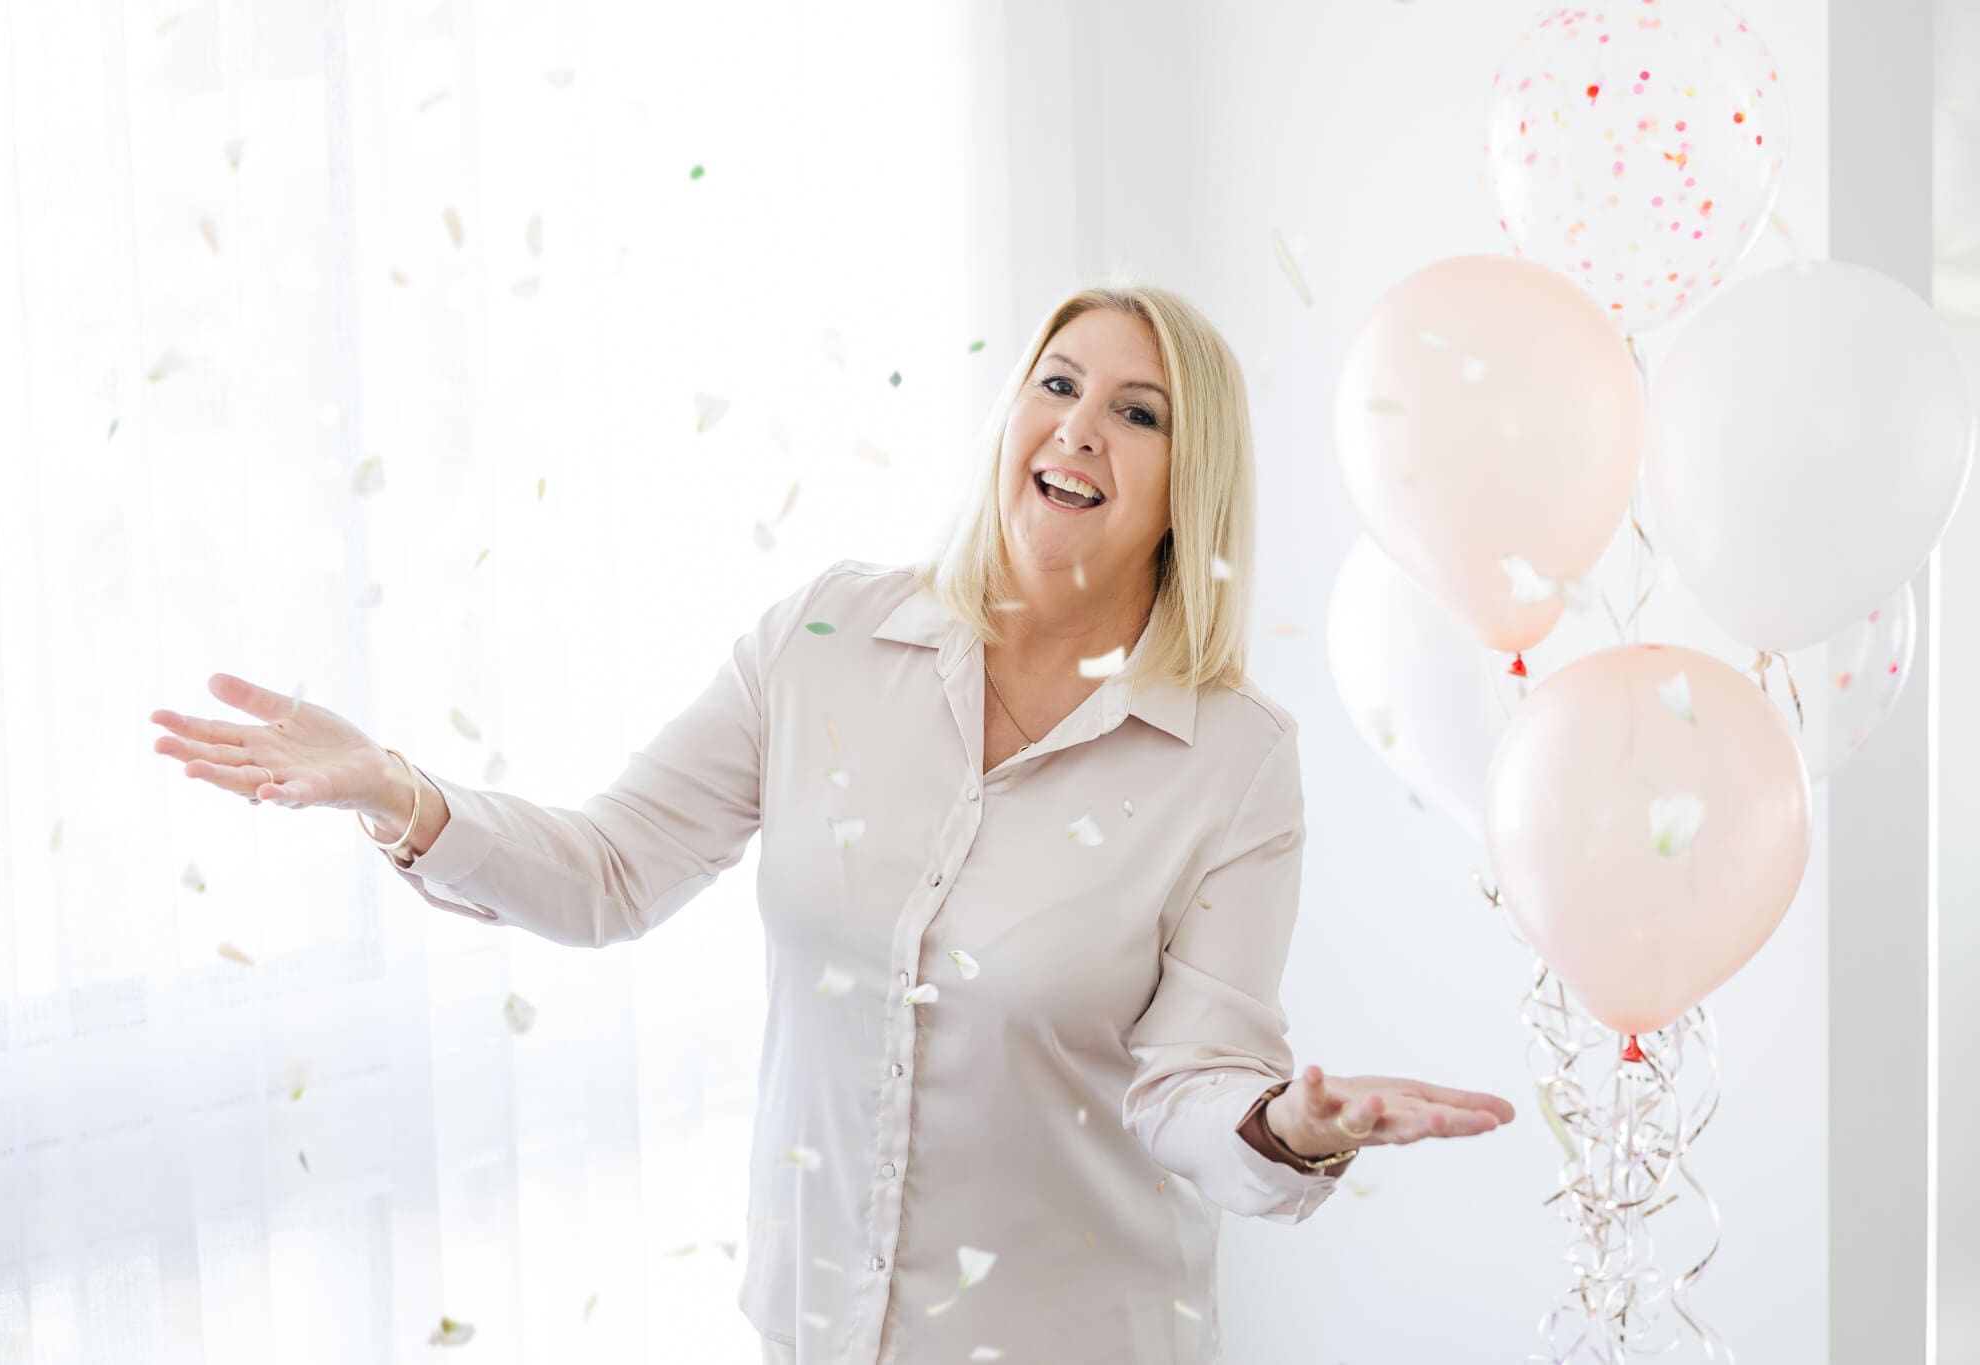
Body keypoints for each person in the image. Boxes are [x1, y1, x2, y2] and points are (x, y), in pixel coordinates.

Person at [151, 282, 1515, 1364]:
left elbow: (1187, 1087)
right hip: (812, 1332)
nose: (1080, 427)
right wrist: (405, 793)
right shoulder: (824, 639)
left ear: (1187, 484)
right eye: (1057, 383)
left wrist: (1289, 1124)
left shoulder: (1230, 758)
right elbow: (612, 870)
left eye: (1138, 412)